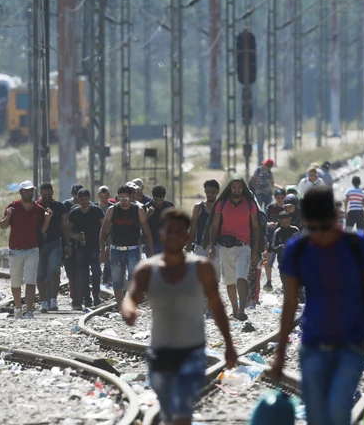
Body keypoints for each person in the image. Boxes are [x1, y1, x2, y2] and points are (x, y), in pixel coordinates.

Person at [270, 187, 364, 425]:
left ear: (335, 217)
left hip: (352, 344)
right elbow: (290, 302)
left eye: (324, 228)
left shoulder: (357, 245)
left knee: (338, 409)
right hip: (312, 345)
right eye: (312, 229)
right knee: (316, 415)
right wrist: (280, 351)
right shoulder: (298, 249)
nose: (319, 235)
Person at [121, 209, 237, 425]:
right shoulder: (147, 269)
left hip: (192, 352)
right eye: (170, 231)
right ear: (161, 234)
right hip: (160, 352)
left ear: (187, 236)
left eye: (179, 232)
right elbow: (131, 298)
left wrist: (229, 345)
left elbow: (217, 306)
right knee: (168, 414)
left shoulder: (201, 268)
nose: (174, 236)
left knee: (182, 410)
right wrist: (129, 311)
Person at [203, 176, 260, 321]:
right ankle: (234, 310)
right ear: (230, 188)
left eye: (239, 187)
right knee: (229, 281)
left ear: (243, 188)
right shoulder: (221, 204)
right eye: (234, 187)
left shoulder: (250, 204)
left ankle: (241, 310)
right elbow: (214, 225)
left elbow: (256, 227)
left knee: (241, 277)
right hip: (225, 247)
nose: (236, 190)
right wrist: (211, 246)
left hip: (244, 247)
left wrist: (255, 250)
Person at [0, 181, 50, 319]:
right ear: (20, 192)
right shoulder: (13, 207)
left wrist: (47, 220)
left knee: (30, 280)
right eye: (26, 190)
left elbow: (42, 231)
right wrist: (8, 216)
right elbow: (2, 225)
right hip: (15, 250)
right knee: (15, 282)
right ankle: (17, 308)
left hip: (32, 250)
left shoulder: (39, 209)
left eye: (31, 190)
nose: (29, 193)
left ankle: (29, 311)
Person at [100, 184, 154, 307]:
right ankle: (121, 307)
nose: (123, 201)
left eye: (126, 198)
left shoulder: (138, 210)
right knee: (117, 281)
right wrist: (102, 250)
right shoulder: (112, 210)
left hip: (133, 249)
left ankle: (131, 304)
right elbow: (103, 232)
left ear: (131, 197)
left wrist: (151, 252)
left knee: (133, 279)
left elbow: (147, 232)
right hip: (116, 249)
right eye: (120, 198)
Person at [66, 188, 105, 308]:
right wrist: (75, 236)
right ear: (78, 200)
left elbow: (105, 227)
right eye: (82, 199)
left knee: (96, 271)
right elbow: (68, 230)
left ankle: (96, 295)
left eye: (86, 199)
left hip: (95, 245)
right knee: (83, 273)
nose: (84, 202)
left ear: (90, 198)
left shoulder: (97, 211)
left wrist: (105, 246)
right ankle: (86, 298)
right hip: (81, 247)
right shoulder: (74, 213)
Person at [37, 182, 69, 312]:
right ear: (40, 194)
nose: (47, 198)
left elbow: (65, 226)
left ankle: (53, 300)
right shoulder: (36, 207)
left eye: (49, 195)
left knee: (55, 272)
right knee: (40, 275)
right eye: (44, 196)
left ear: (53, 193)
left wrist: (68, 245)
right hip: (39, 245)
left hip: (55, 243)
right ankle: (44, 301)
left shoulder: (59, 206)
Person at [187, 180, 221, 281]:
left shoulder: (221, 207)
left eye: (213, 192)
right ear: (205, 191)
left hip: (217, 247)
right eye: (208, 192)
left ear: (217, 192)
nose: (210, 194)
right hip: (200, 246)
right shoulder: (198, 207)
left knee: (214, 279)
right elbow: (193, 228)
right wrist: (188, 247)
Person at [62, 183, 85, 310]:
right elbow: (63, 225)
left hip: (83, 244)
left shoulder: (87, 205)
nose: (78, 197)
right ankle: (74, 296)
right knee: (71, 272)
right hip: (68, 242)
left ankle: (79, 298)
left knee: (80, 272)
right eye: (76, 194)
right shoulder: (65, 205)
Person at [262, 212, 298, 293]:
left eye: (287, 222)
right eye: (282, 222)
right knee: (285, 282)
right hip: (282, 261)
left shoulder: (295, 230)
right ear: (279, 221)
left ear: (290, 220)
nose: (285, 224)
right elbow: (273, 247)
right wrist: (282, 246)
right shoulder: (277, 232)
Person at [144, 186, 175, 256]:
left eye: (161, 200)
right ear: (152, 197)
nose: (158, 202)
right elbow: (140, 225)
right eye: (156, 200)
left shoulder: (169, 207)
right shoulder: (146, 207)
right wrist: (147, 214)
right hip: (151, 243)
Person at [96, 186, 115, 287]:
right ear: (98, 196)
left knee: (109, 257)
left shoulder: (113, 208)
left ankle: (106, 280)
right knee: (97, 257)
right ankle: (98, 279)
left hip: (110, 235)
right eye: (101, 197)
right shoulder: (95, 208)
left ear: (108, 196)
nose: (103, 199)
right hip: (97, 236)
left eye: (105, 197)